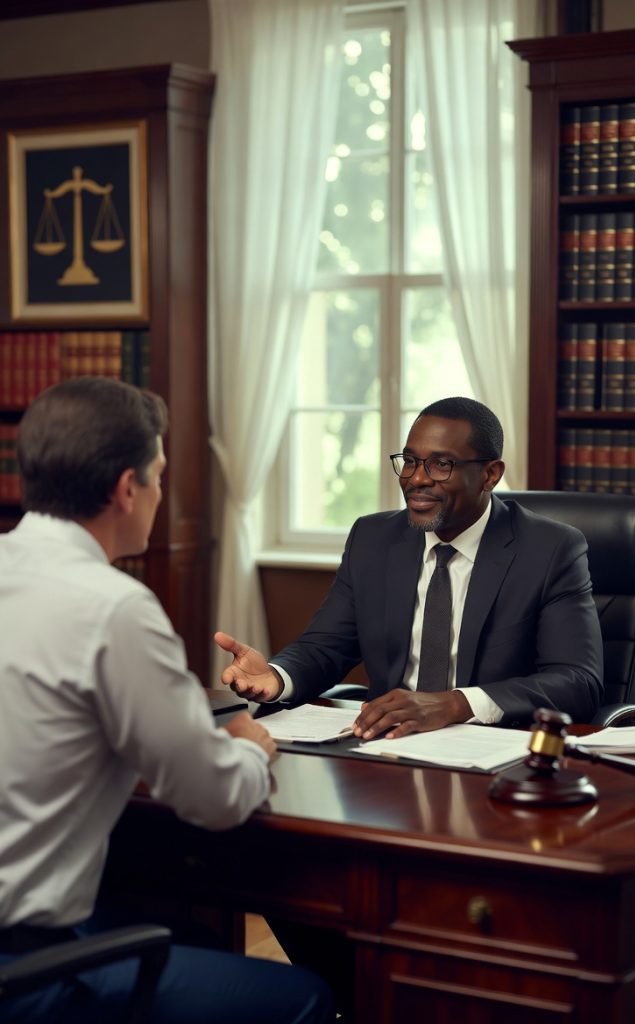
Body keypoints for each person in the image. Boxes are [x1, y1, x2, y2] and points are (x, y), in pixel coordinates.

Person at [0, 377, 335, 1024]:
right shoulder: (112, 609)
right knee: (305, 1000)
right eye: (156, 476)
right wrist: (251, 750)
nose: (159, 493)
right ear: (127, 489)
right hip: (24, 975)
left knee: (194, 941)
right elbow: (211, 800)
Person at [216, 395, 604, 736]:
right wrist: (276, 676)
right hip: (388, 749)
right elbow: (326, 646)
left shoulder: (550, 549)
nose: (416, 479)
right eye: (410, 461)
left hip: (494, 753)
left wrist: (453, 704)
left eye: (441, 465)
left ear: (489, 475)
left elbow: (577, 681)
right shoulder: (373, 539)